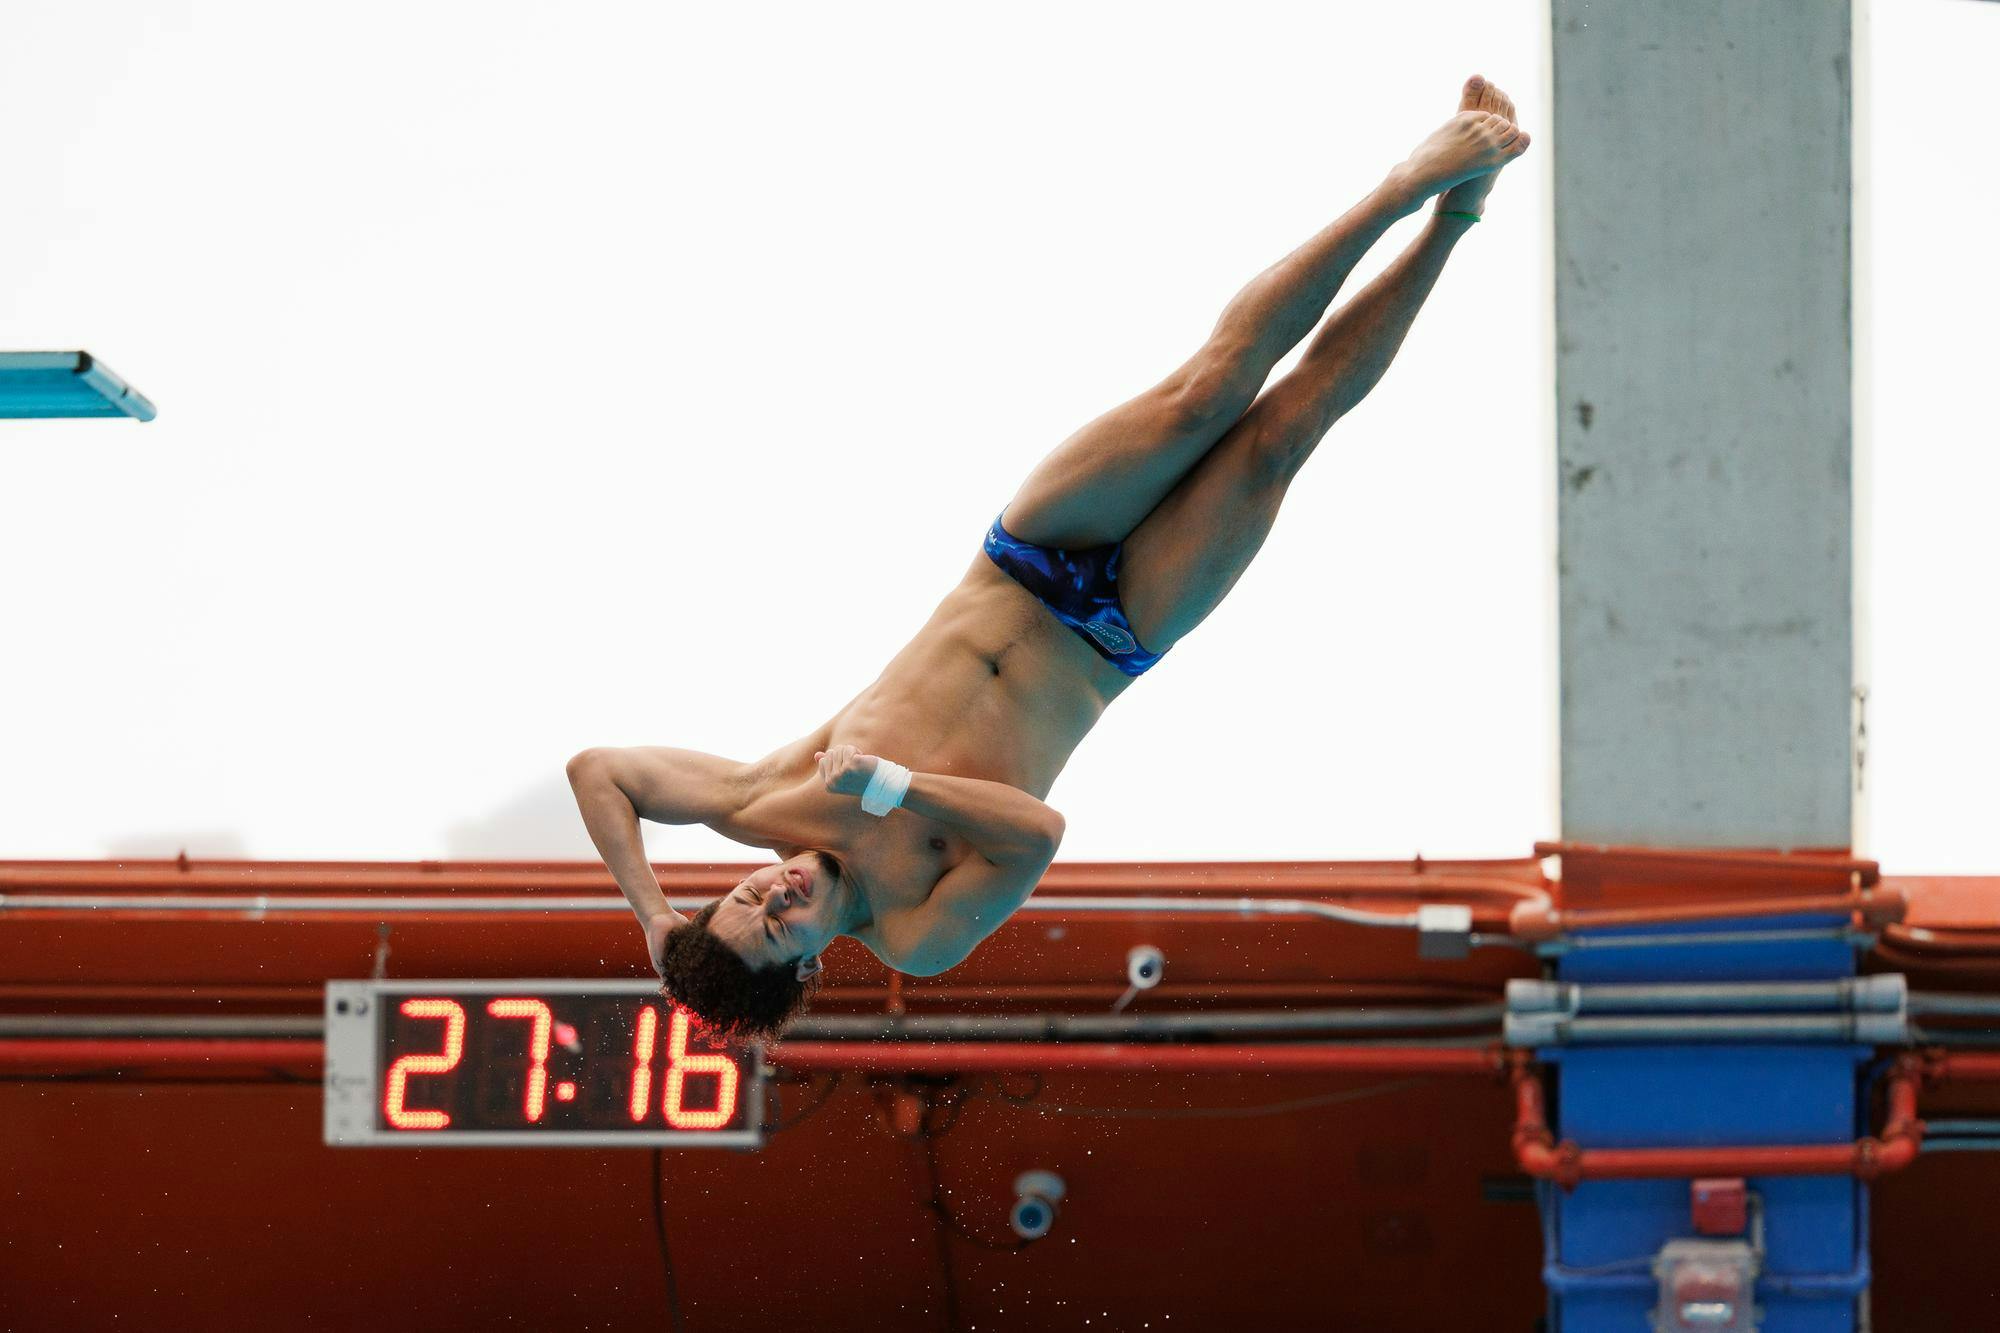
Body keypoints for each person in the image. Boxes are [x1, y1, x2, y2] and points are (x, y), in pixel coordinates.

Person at [568, 76, 1529, 1038]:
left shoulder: (761, 800)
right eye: (780, 926)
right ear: (809, 958)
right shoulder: (914, 930)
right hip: (1113, 637)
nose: (773, 894)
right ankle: (1456, 215)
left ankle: (1402, 185)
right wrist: (895, 789)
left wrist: (653, 914)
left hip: (1026, 559)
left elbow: (600, 768)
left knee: (1206, 390)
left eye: (743, 899)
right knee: (1283, 432)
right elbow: (1037, 837)